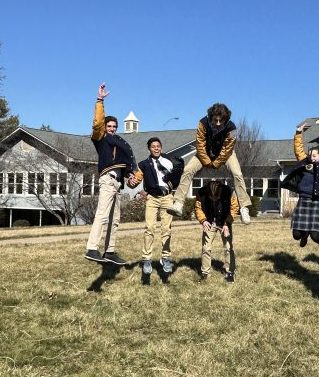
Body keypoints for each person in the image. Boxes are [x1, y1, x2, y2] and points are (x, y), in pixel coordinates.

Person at [168, 103, 252, 224]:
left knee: (237, 174)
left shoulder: (232, 128)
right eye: (215, 120)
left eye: (221, 121)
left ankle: (244, 207)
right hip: (204, 153)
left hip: (226, 154)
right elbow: (200, 144)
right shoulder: (202, 123)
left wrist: (216, 163)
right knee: (188, 170)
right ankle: (178, 203)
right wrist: (207, 161)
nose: (218, 123)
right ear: (210, 117)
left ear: (226, 119)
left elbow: (228, 148)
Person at [85, 83, 138, 265]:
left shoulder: (119, 142)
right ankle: (92, 248)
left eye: (114, 126)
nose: (112, 128)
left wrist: (131, 175)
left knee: (115, 219)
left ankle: (110, 251)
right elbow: (97, 123)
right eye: (109, 125)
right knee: (102, 214)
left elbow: (127, 162)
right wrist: (100, 100)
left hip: (118, 183)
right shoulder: (101, 138)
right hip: (107, 179)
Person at [280, 123, 319, 263]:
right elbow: (298, 149)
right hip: (304, 200)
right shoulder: (305, 163)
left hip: (317, 201)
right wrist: (298, 133)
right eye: (310, 155)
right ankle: (304, 234)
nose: (311, 157)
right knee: (296, 234)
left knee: (315, 235)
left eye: (314, 156)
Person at [131, 137, 185, 285]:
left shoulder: (169, 161)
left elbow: (179, 173)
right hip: (152, 198)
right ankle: (147, 259)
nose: (156, 148)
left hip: (167, 197)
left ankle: (166, 257)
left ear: (161, 147)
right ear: (149, 148)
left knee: (166, 229)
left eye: (158, 146)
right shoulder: (143, 164)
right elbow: (136, 179)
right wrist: (132, 183)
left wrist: (174, 182)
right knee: (149, 228)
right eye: (153, 146)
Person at [194, 180, 239, 282]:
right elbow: (198, 208)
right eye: (212, 197)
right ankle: (205, 273)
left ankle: (230, 272)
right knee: (206, 248)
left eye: (216, 197)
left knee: (228, 247)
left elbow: (234, 208)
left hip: (224, 222)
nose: (214, 199)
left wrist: (227, 223)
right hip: (209, 222)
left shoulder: (229, 191)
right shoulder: (201, 193)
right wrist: (203, 220)